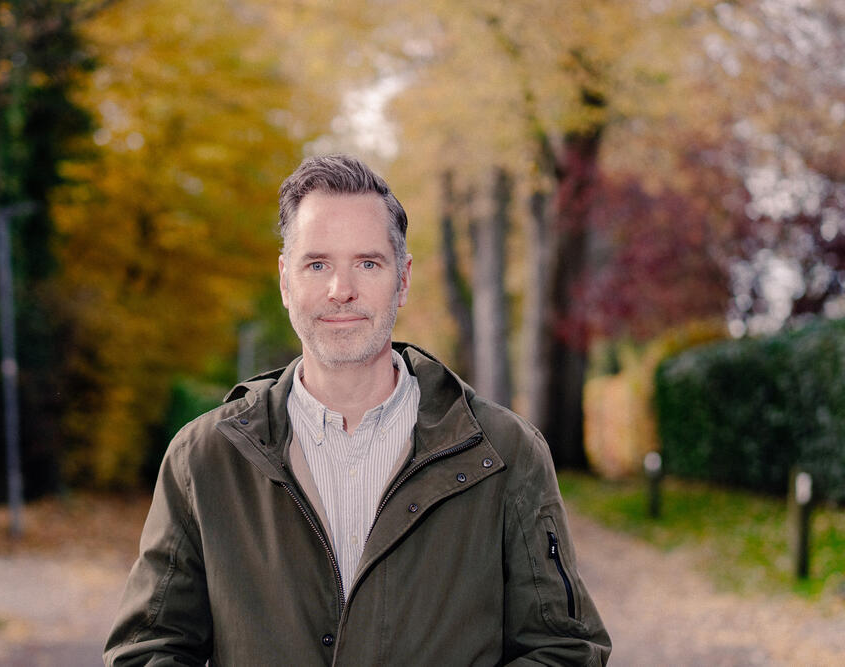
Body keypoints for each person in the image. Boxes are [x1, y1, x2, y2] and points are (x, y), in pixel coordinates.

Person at [104, 154, 611, 666]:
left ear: (404, 278)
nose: (340, 290)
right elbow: (147, 650)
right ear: (285, 280)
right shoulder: (202, 460)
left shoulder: (504, 452)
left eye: (367, 263)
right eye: (317, 264)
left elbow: (564, 649)